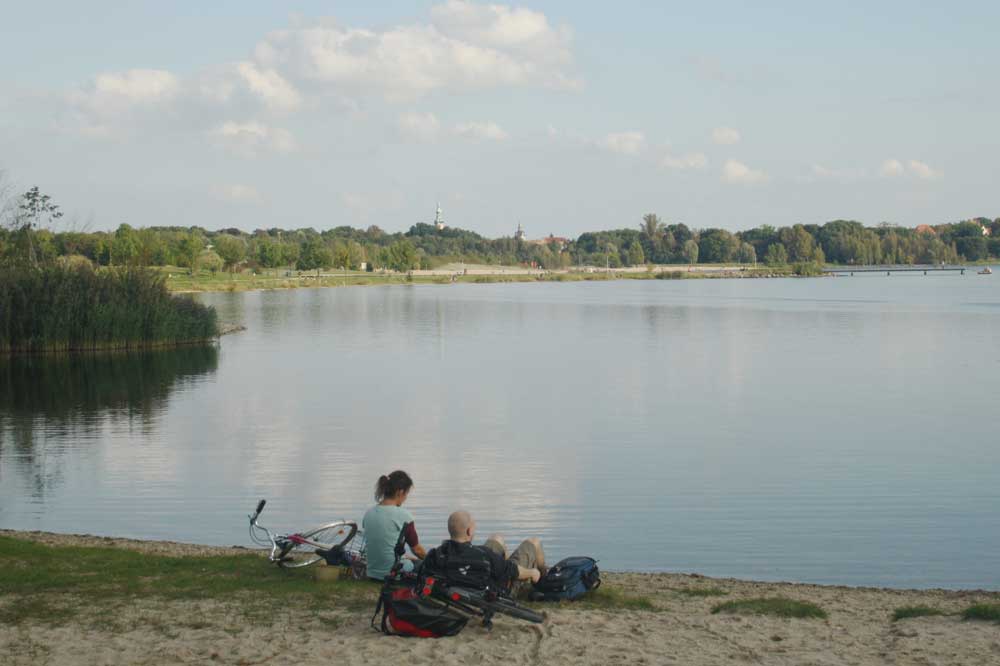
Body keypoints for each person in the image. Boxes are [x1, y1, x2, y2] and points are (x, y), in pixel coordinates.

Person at [423, 510, 544, 589]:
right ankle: (544, 578)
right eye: (474, 527)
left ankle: (503, 562)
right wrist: (533, 572)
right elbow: (516, 572)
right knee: (534, 542)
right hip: (494, 588)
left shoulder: (436, 554)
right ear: (469, 531)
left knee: (497, 538)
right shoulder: (483, 555)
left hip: (461, 582)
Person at [362, 470, 426, 581]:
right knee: (423, 565)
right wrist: (431, 561)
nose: (406, 497)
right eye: (406, 493)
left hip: (372, 572)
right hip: (392, 574)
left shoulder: (369, 513)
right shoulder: (403, 515)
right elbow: (417, 550)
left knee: (408, 559)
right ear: (400, 492)